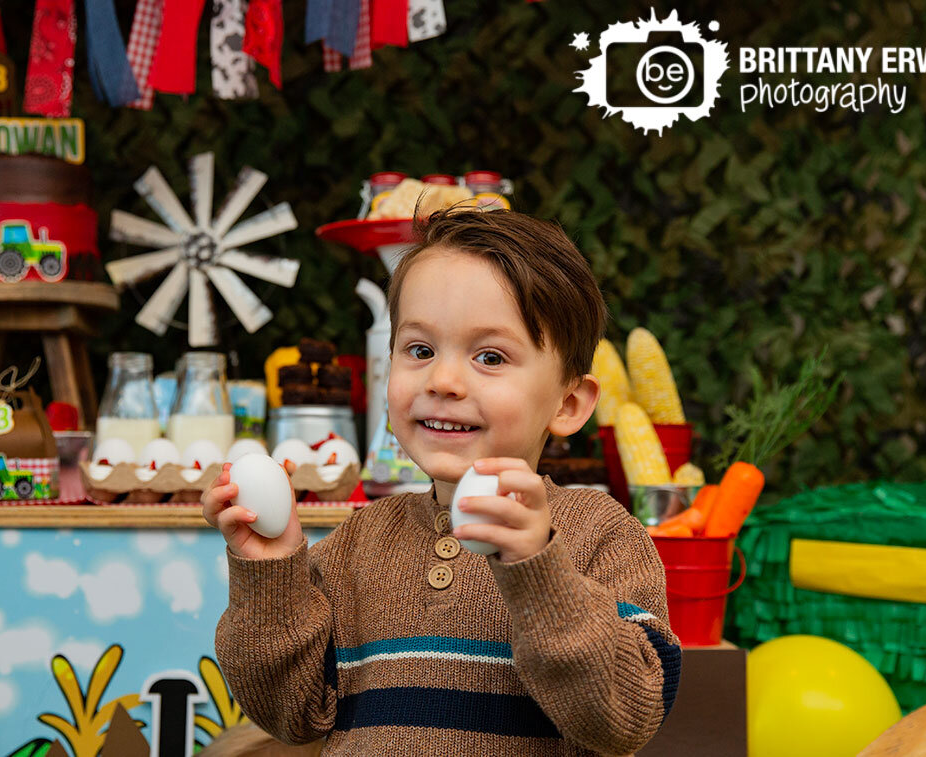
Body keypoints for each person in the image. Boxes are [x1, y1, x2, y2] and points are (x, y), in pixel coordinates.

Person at [205, 206, 681, 755]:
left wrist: (538, 570)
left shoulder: (598, 534)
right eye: (420, 350)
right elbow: (292, 714)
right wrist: (270, 574)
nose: (444, 380)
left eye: (490, 356)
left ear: (569, 403)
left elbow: (624, 717)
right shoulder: (358, 544)